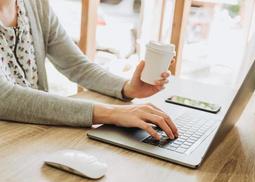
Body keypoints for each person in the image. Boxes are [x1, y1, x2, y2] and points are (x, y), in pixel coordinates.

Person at [0, 0, 178, 140]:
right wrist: (111, 113)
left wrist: (127, 88)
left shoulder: (36, 4)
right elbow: (4, 97)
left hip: (35, 133)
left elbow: (77, 65)